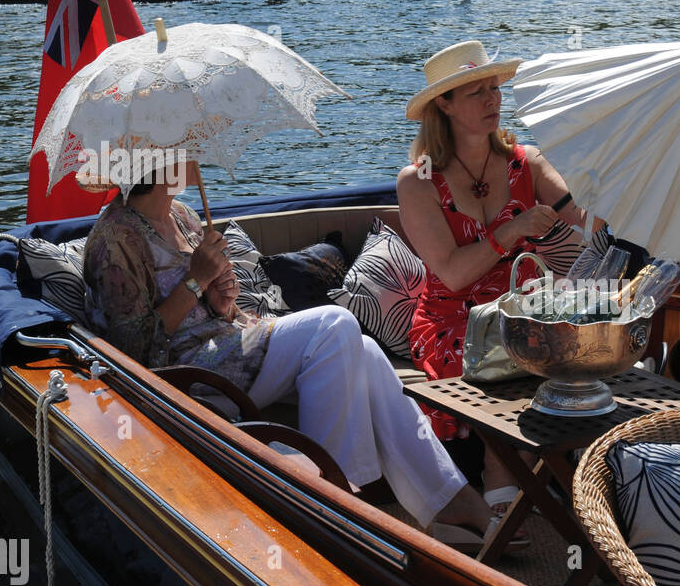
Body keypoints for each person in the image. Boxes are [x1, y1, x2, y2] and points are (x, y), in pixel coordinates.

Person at [82, 157, 519, 553]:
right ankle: (331, 505)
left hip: (229, 347)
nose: (197, 155)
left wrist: (222, 294)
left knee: (363, 349)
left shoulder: (182, 215)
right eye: (184, 144)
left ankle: (451, 501)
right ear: (154, 159)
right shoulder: (114, 238)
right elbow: (133, 349)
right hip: (183, 375)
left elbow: (220, 310)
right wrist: (196, 281)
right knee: (334, 325)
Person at [397, 40, 587, 508]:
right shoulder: (417, 181)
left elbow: (586, 221)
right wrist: (514, 228)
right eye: (476, 92)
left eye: (495, 89)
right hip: (452, 320)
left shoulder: (529, 162)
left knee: (574, 345)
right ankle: (506, 475)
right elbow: (454, 273)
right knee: (513, 352)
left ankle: (585, 477)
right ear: (444, 104)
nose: (493, 101)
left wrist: (611, 183)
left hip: (526, 312)